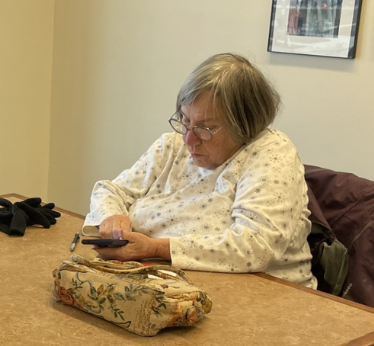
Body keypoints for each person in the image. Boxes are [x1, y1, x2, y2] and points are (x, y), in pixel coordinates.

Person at [83, 53, 316, 288]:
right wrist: (111, 217)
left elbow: (256, 246)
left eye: (206, 128)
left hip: (261, 295)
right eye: (184, 120)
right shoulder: (172, 146)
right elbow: (109, 191)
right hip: (158, 283)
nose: (188, 139)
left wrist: (156, 248)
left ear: (245, 125)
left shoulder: (271, 154)